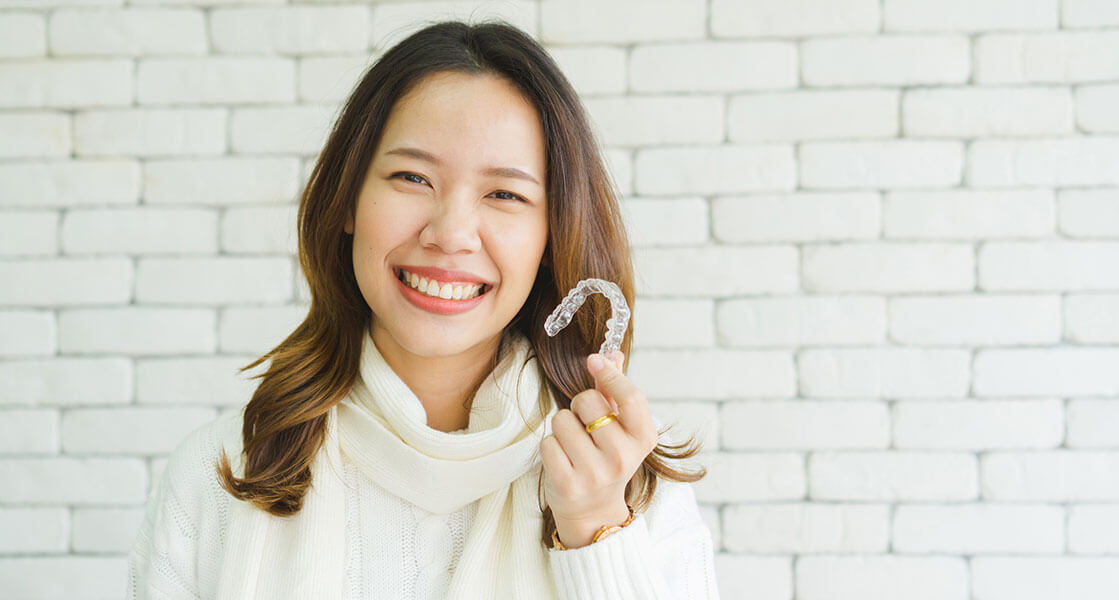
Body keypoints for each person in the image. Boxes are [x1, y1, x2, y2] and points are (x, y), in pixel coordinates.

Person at [126, 19, 719, 600]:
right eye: (413, 177)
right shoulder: (217, 476)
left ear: (550, 237)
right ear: (349, 200)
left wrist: (597, 537)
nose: (451, 233)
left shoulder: (633, 484)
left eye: (505, 194)